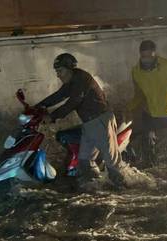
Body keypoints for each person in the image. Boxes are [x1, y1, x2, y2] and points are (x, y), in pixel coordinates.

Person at [36, 53, 126, 188]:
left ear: (70, 69)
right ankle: (99, 187)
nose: (58, 75)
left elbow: (74, 102)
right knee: (84, 161)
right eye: (57, 72)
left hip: (100, 121)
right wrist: (38, 107)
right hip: (89, 124)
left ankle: (125, 190)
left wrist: (52, 116)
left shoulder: (82, 79)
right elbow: (59, 96)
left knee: (111, 163)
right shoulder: (72, 80)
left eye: (60, 71)